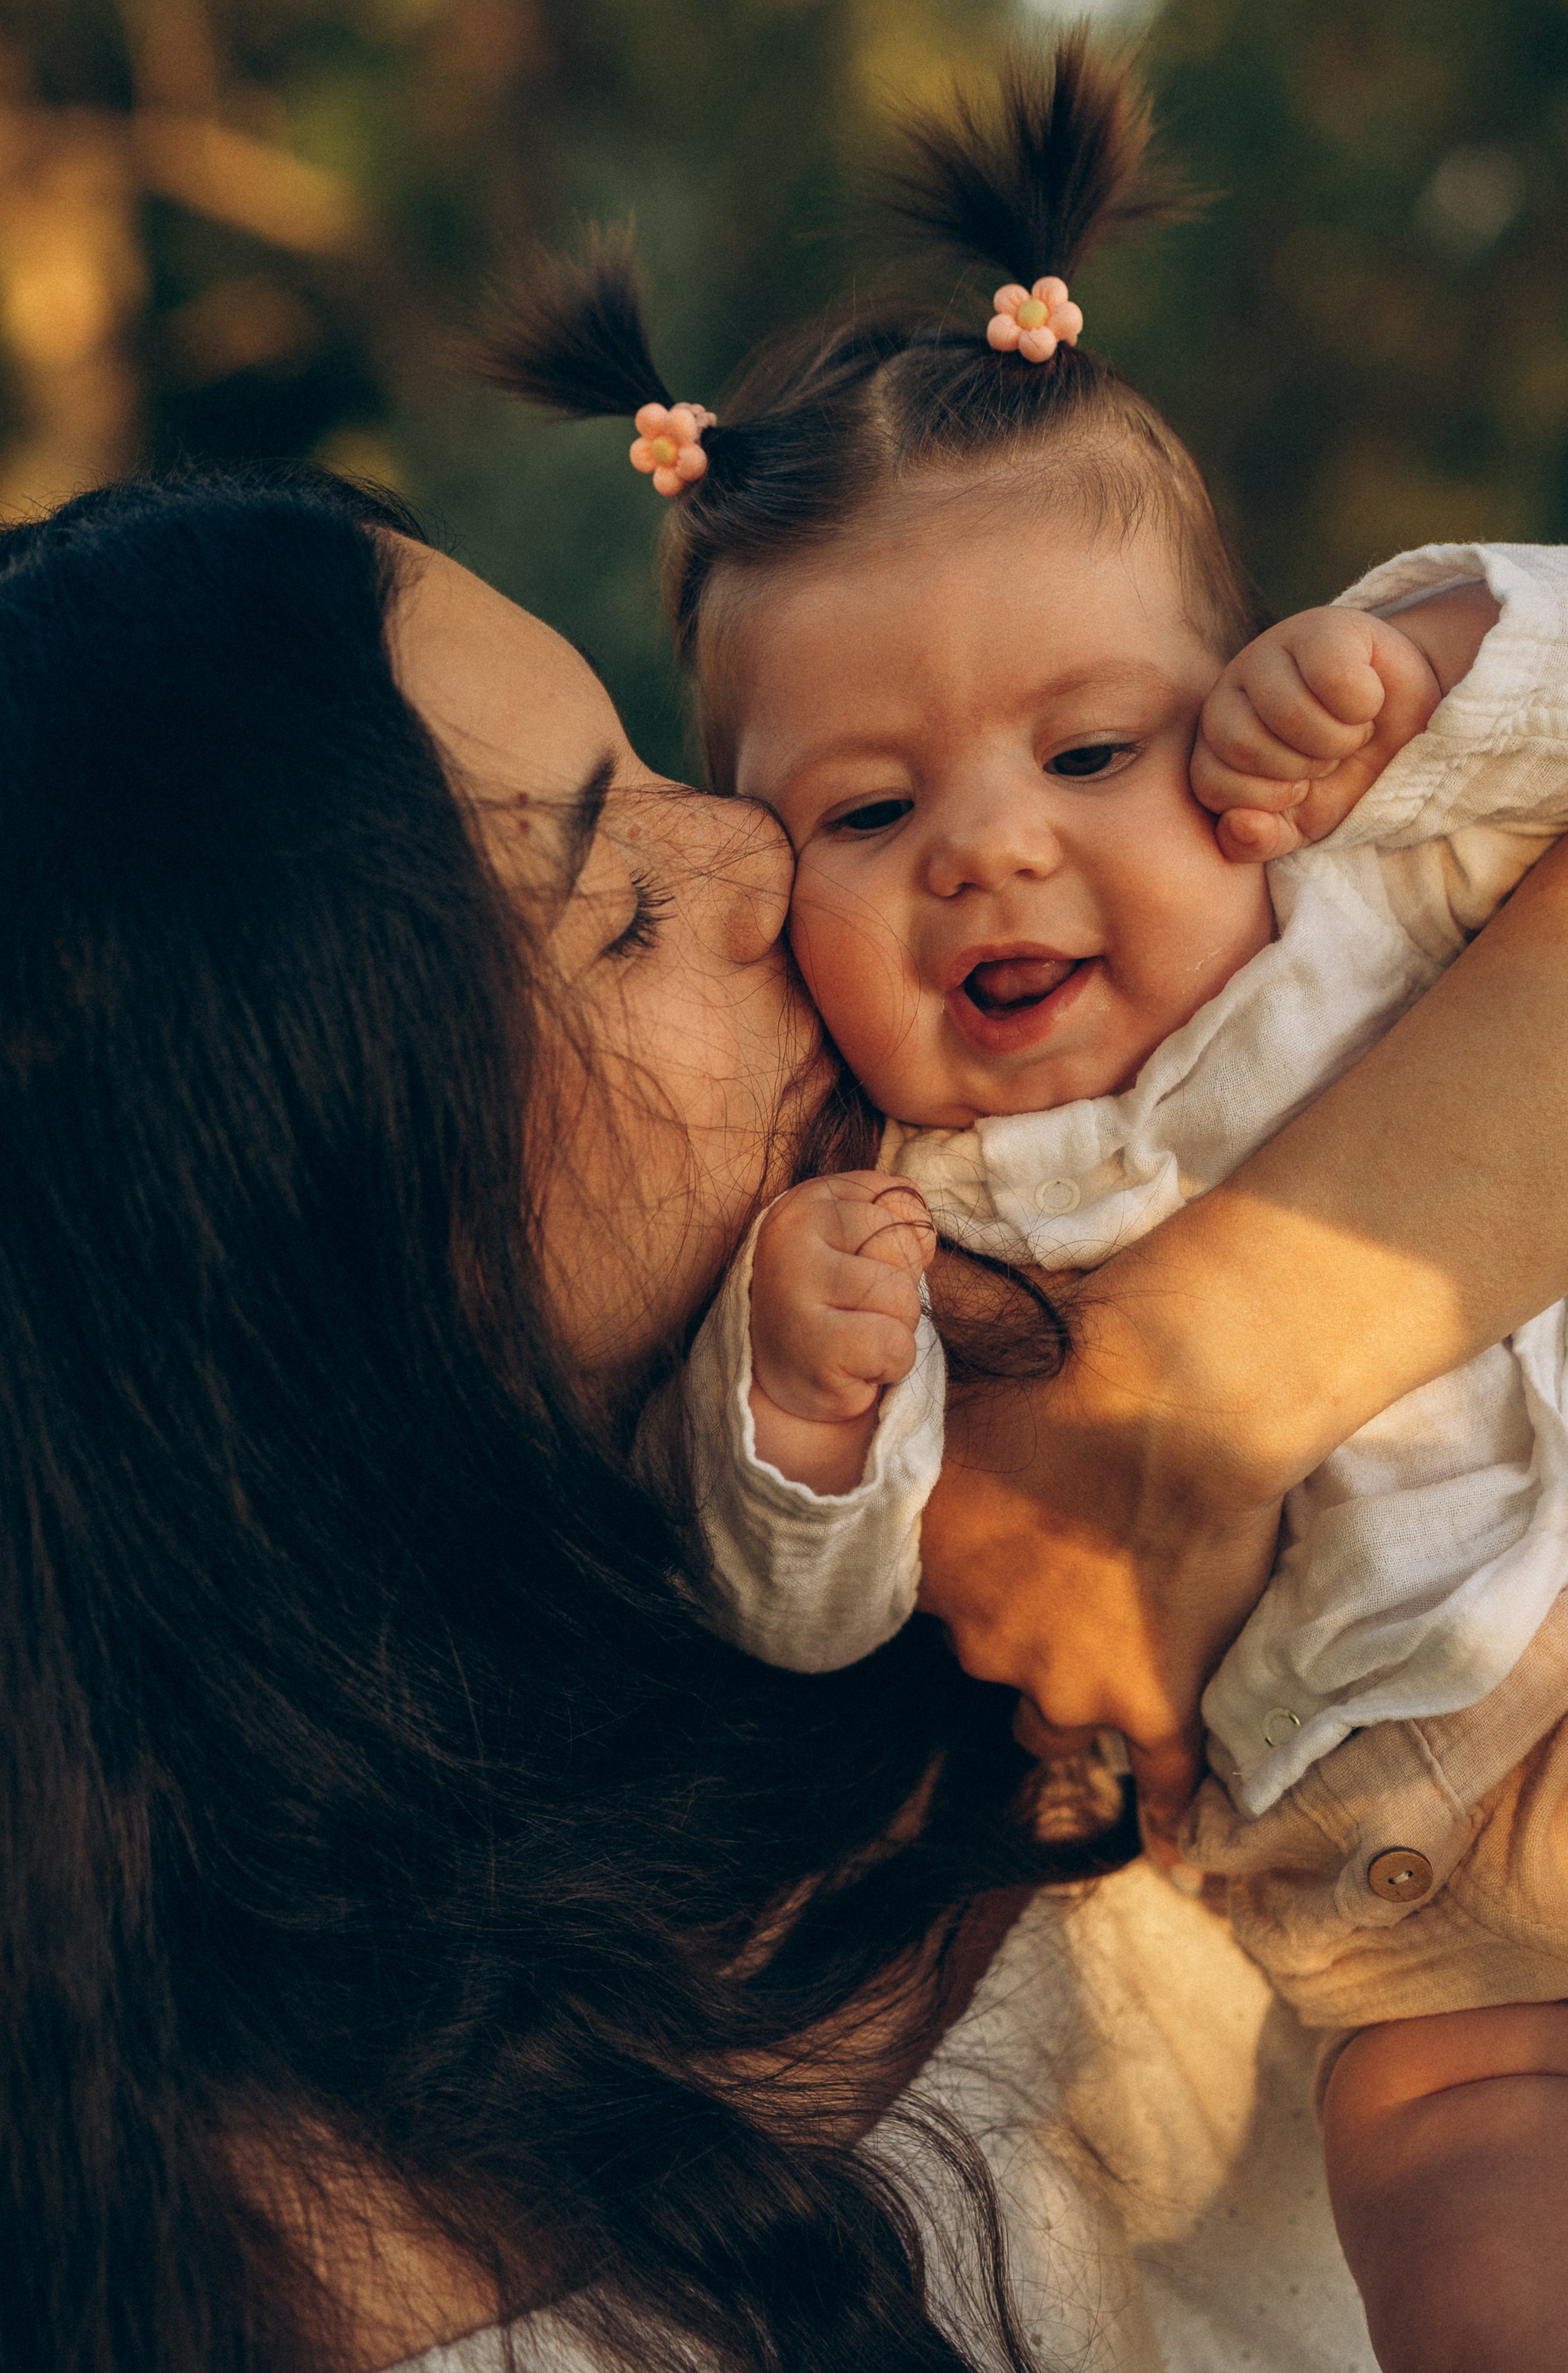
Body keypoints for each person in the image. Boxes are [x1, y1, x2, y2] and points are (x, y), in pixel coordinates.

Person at [0, 471, 1568, 2373]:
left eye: (651, 758)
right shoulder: (279, 2269)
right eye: (626, 904)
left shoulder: (1107, 1126)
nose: (755, 850)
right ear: (329, 1259)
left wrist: (1196, 1375)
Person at [480, 38, 1568, 2372]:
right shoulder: (870, 1195)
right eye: (867, 814)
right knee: (1469, 2202)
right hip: (1393, 1893)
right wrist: (796, 1401)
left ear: (1230, 702)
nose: (989, 841)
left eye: (1090, 750)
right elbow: (824, 1587)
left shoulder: (1363, 863)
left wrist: (1435, 667)